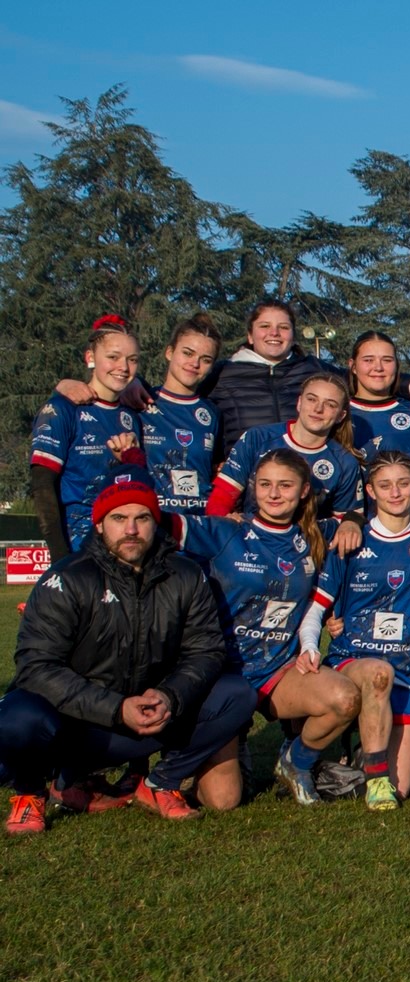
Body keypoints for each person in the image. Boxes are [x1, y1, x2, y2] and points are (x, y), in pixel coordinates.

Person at [1, 468, 256, 834]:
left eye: (142, 518)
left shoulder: (185, 574)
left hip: (148, 717)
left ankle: (159, 784)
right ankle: (31, 793)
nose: (131, 530)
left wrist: (169, 696)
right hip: (79, 724)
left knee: (237, 694)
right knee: (17, 717)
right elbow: (35, 667)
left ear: (156, 522)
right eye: (119, 518)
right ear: (101, 524)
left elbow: (206, 651)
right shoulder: (68, 577)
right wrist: (115, 708)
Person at [170, 449, 361, 806]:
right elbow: (151, 520)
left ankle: (296, 763)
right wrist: (130, 461)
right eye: (265, 485)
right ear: (252, 487)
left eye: (285, 485)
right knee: (224, 801)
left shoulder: (319, 535)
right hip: (223, 677)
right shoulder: (226, 530)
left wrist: (352, 519)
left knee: (344, 699)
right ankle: (218, 743)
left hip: (279, 671)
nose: (274, 494)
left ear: (304, 490)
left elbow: (381, 518)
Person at [295, 451, 410, 808]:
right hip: (354, 661)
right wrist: (309, 644)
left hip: (406, 672)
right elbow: (316, 609)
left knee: (403, 788)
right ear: (371, 491)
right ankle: (367, 772)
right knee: (378, 677)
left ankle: (350, 768)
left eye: (402, 484)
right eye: (384, 486)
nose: (394, 493)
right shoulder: (350, 541)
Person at [206, 372, 365, 556]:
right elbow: (221, 497)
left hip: (302, 554)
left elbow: (347, 517)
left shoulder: (345, 462)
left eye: (330, 404)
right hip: (249, 548)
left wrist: (350, 523)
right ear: (299, 403)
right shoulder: (257, 438)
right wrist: (224, 527)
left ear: (340, 415)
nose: (318, 409)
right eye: (311, 399)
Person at [30, 316, 142, 558]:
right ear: (90, 357)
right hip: (77, 548)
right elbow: (42, 488)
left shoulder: (132, 416)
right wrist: (61, 559)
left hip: (123, 551)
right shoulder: (62, 409)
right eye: (113, 357)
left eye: (132, 360)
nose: (123, 367)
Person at [199, 300, 344, 448]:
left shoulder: (315, 369)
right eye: (264, 326)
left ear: (293, 337)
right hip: (244, 469)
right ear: (250, 335)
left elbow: (361, 385)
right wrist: (214, 460)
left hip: (305, 468)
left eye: (283, 327)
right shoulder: (221, 373)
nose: (274, 333)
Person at [140, 313, 223, 515]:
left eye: (205, 359)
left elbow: (214, 470)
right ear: (169, 352)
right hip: (153, 522)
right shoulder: (140, 401)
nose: (195, 363)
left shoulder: (211, 412)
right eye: (187, 353)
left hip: (198, 525)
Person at [346, 330, 410, 457]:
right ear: (353, 366)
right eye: (368, 360)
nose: (378, 367)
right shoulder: (338, 413)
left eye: (387, 360)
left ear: (396, 365)